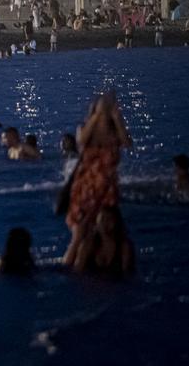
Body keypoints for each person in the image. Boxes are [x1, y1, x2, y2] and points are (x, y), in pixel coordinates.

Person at [64, 90, 132, 266]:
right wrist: (95, 117)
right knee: (80, 234)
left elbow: (127, 143)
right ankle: (75, 266)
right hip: (85, 189)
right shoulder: (84, 130)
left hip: (106, 189)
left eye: (105, 113)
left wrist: (117, 119)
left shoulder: (115, 133)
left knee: (111, 231)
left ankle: (110, 263)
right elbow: (81, 141)